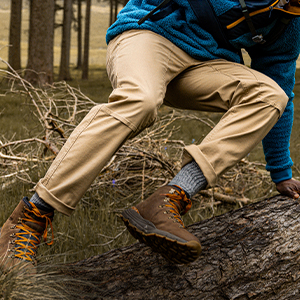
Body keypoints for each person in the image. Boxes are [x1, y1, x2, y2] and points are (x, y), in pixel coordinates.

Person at [1, 0, 300, 270]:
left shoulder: (290, 18)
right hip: (148, 35)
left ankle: (170, 198)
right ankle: (28, 220)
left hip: (205, 64)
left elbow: (280, 79)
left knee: (270, 95)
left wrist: (281, 171)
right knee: (141, 100)